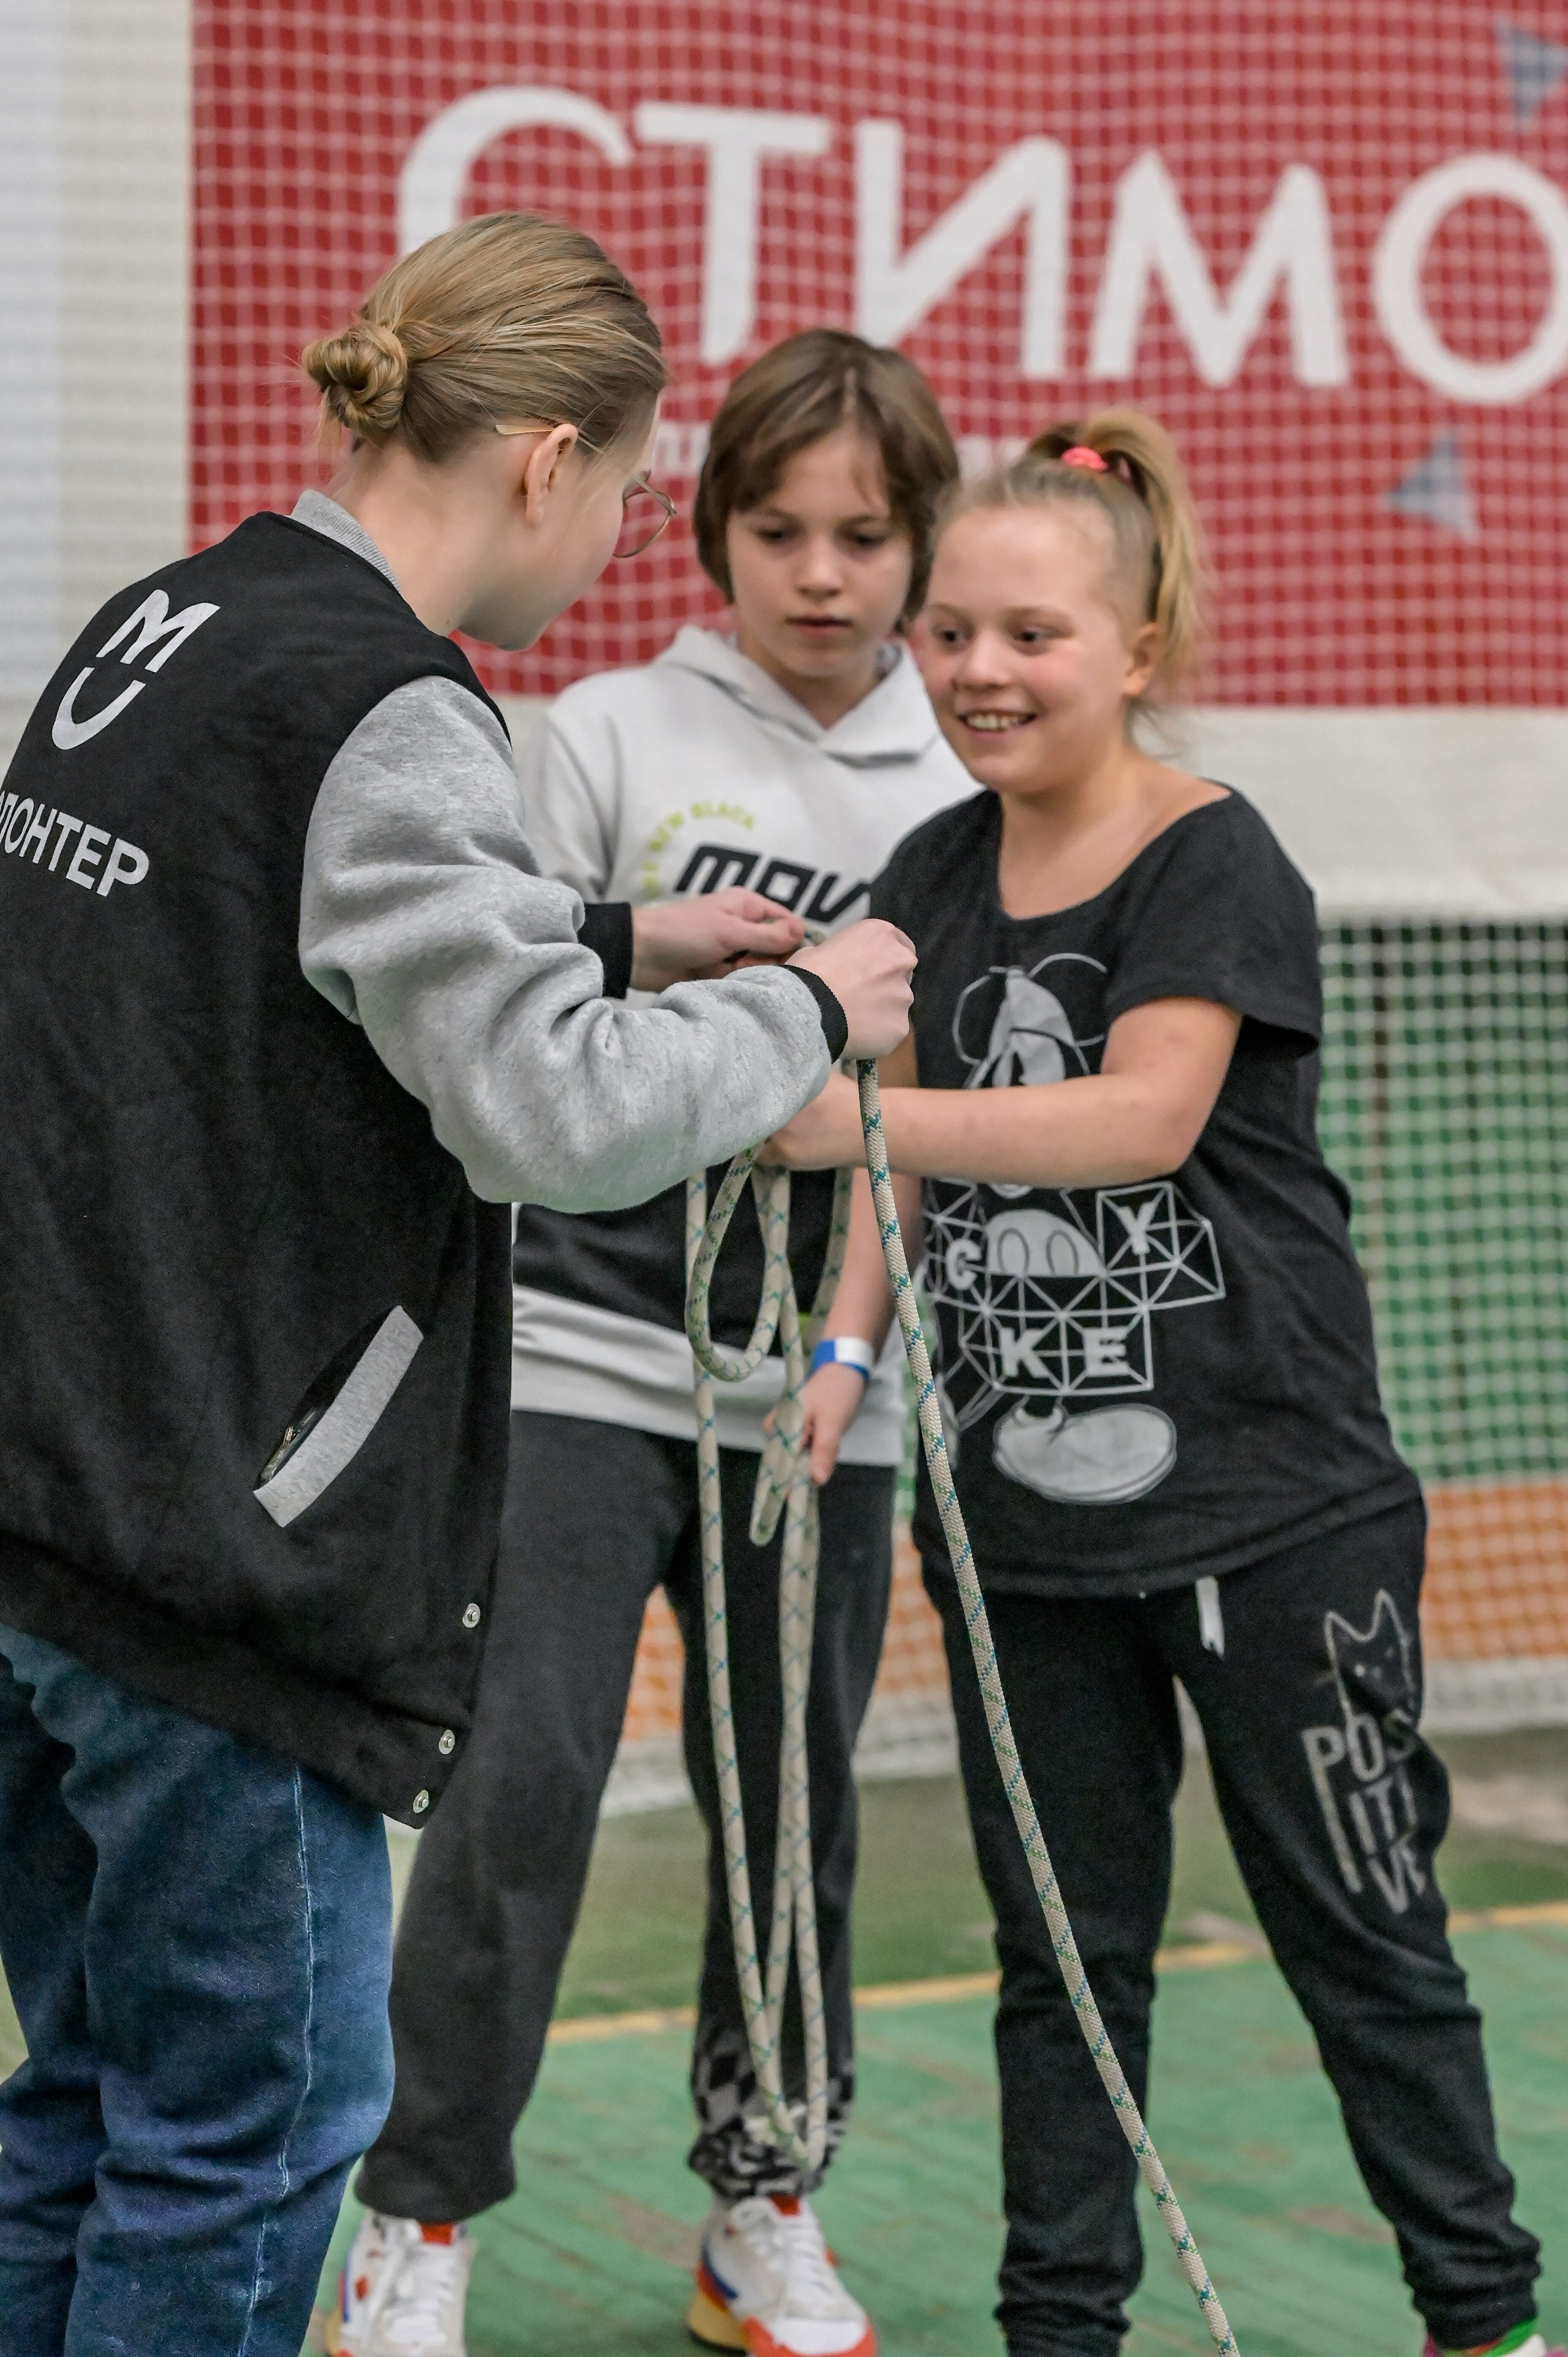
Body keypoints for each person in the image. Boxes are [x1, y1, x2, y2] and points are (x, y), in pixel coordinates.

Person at [0, 213, 917, 2357]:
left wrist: (602, 936)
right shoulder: (397, 699)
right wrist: (820, 1014)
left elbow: (246, 972)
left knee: (86, 2103)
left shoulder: (177, 614)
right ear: (540, 458)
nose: (613, 541)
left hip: (50, 1524)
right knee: (251, 2127)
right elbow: (550, 1121)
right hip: (219, 1570)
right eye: (627, 488)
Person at [772, 411, 1554, 2357]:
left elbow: (1138, 1119)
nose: (977, 670)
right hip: (1024, 1538)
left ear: (1136, 645)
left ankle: (1482, 2317)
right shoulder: (925, 868)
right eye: (947, 632)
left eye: (1029, 633)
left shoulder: (1214, 855)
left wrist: (838, 1128)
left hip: (1277, 1519)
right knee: (1055, 1965)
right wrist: (847, 1339)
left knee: (1363, 1937)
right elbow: (899, 1149)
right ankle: (1064, 2332)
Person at [336, 328, 971, 2357]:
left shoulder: (960, 781)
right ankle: (418, 2221)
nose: (821, 573)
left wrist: (850, 1358)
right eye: (778, 528)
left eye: (865, 535)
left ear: (917, 546)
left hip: (816, 1401)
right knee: (514, 1792)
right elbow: (525, 1038)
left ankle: (763, 2202)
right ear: (702, 531)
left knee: (793, 1813)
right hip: (584, 1363)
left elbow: (911, 1129)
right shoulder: (601, 734)